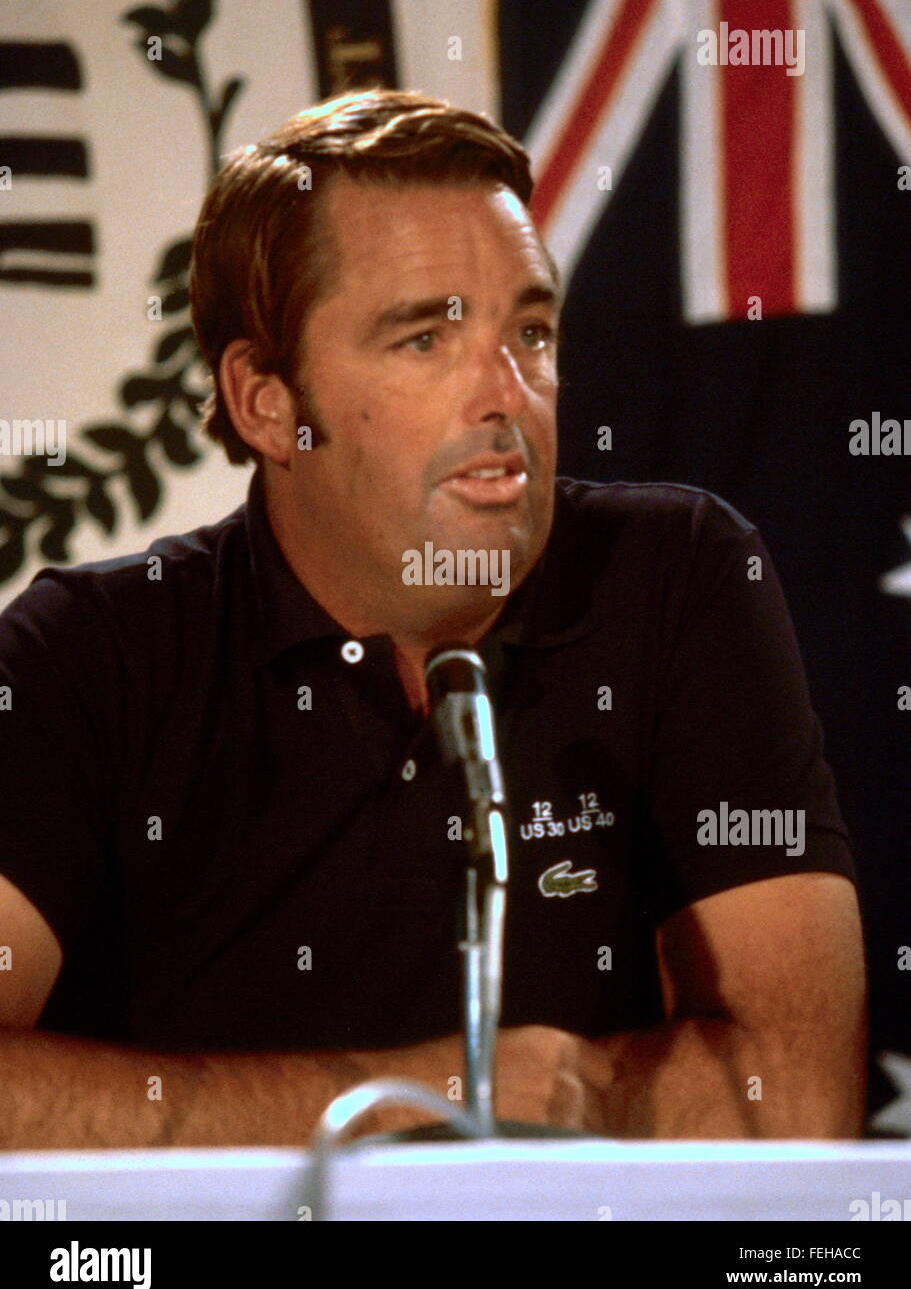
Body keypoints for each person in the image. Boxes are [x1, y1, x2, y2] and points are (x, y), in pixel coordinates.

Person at [0, 89, 866, 1148]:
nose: (506, 395)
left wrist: (564, 1093)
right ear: (264, 401)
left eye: (531, 332)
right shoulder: (85, 657)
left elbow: (795, 1092)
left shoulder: (675, 577)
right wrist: (410, 1099)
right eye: (422, 341)